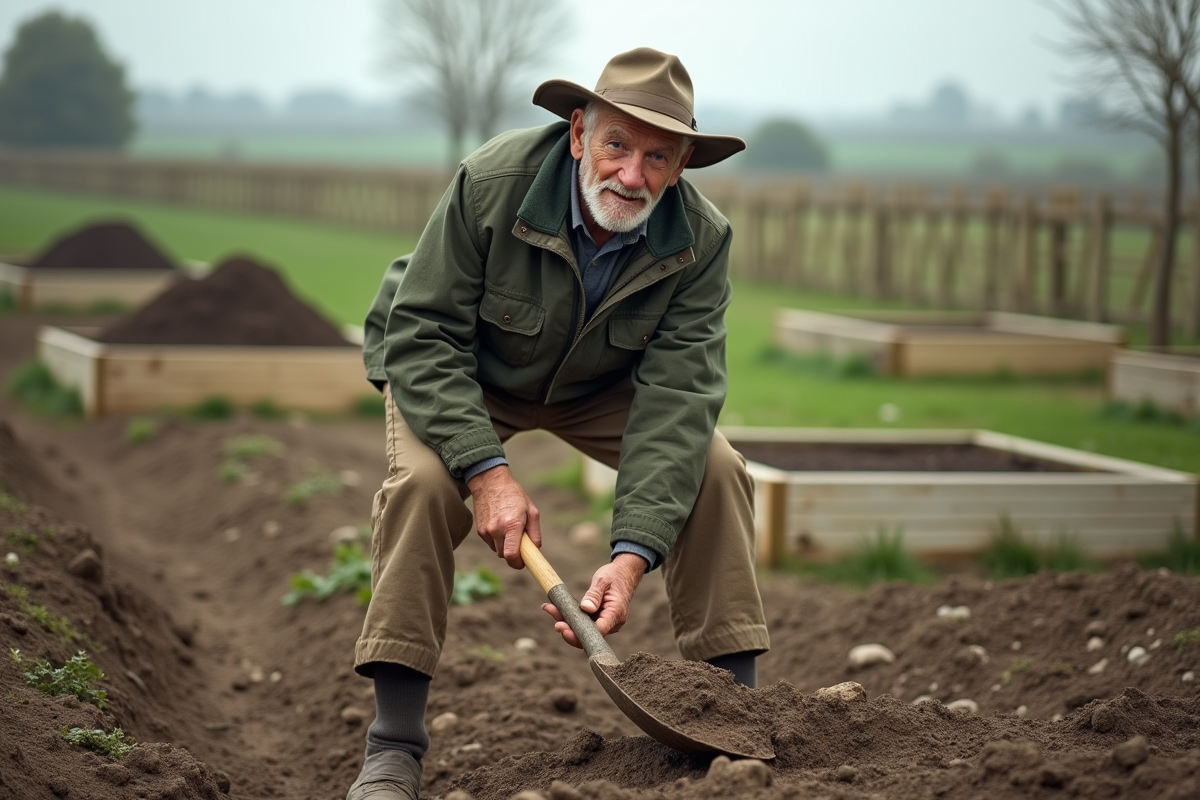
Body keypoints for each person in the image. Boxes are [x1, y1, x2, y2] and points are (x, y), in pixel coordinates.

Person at [347, 47, 770, 800]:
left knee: (715, 468)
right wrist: (486, 471)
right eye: (616, 145)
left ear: (679, 168)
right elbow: (422, 334)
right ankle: (393, 745)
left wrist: (634, 553)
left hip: (593, 384)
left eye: (657, 157)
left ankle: (730, 719)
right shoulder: (493, 182)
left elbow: (679, 397)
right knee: (420, 485)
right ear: (578, 133)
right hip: (460, 366)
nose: (632, 175)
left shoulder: (701, 241)